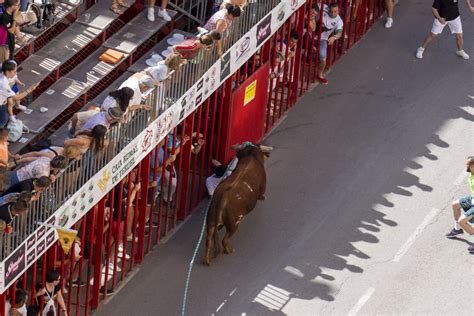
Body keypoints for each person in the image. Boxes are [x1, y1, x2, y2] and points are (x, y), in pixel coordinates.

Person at [446, 157, 474, 253]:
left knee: (462, 221)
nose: (466, 166)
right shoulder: (471, 173)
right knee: (455, 205)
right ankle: (457, 230)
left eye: (468, 165)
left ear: (473, 166)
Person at [0, 60, 38, 127]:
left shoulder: (3, 76)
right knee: (4, 119)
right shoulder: (4, 83)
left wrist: (4, 96)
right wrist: (30, 90)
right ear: (7, 72)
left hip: (2, 101)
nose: (15, 73)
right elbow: (16, 97)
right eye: (14, 71)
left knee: (4, 118)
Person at [316, 2, 343, 85]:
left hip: (322, 39)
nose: (332, 13)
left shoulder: (339, 21)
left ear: (339, 11)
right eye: (331, 11)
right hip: (310, 33)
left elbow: (339, 33)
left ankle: (320, 75)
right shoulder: (323, 7)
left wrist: (334, 37)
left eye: (335, 11)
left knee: (323, 59)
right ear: (328, 9)